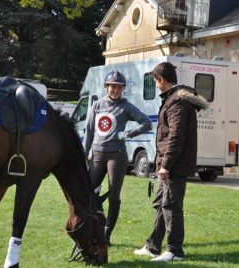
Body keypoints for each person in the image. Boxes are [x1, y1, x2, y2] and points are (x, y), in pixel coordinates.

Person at [133, 62, 208, 262]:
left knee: (171, 206)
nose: (155, 84)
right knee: (161, 204)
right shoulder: (173, 99)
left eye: (155, 81)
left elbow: (175, 136)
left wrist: (165, 165)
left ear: (161, 80)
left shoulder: (177, 102)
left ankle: (174, 251)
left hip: (175, 165)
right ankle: (153, 246)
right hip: (168, 164)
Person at [83, 70, 152, 246]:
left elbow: (147, 122)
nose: (115, 90)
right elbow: (89, 131)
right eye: (112, 86)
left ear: (122, 89)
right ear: (106, 87)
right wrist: (85, 153)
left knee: (114, 195)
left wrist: (129, 133)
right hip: (97, 154)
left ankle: (106, 234)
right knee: (90, 194)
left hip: (117, 155)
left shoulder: (126, 106)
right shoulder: (97, 105)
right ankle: (95, 228)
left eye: (118, 87)